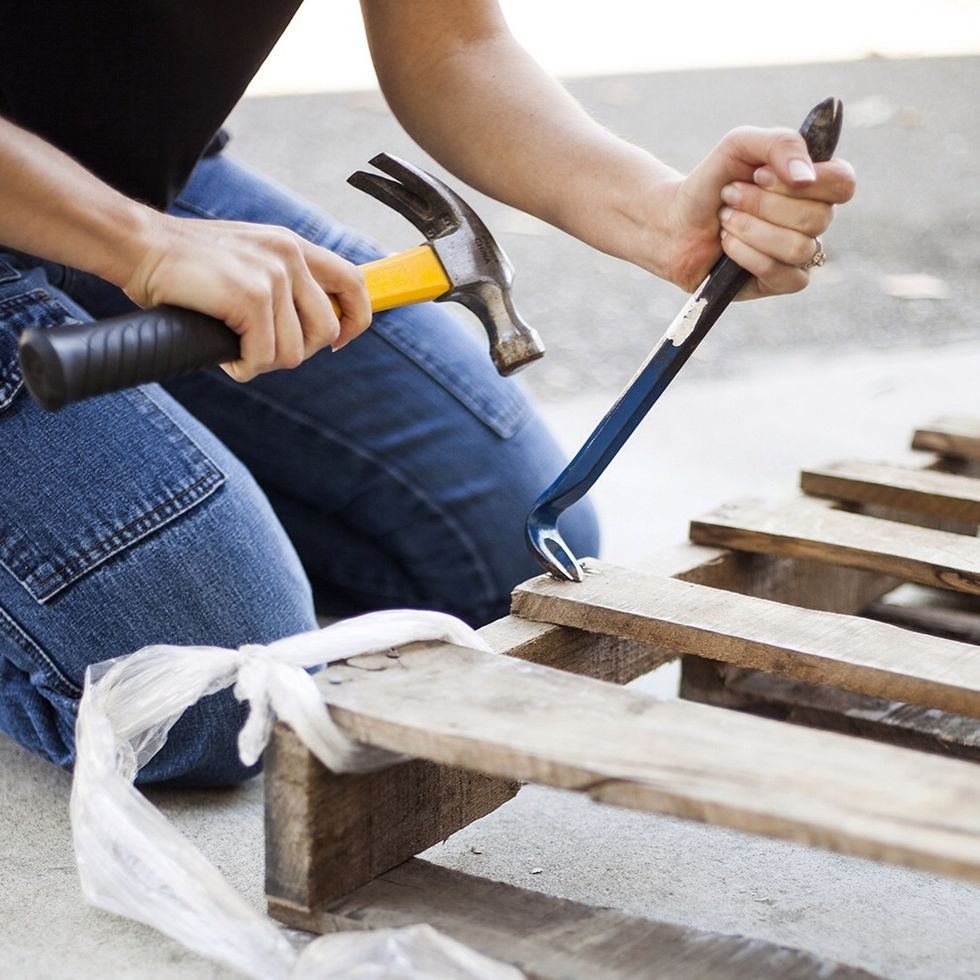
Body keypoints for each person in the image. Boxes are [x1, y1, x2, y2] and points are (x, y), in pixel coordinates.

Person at [0, 1, 855, 786]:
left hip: (133, 183)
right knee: (211, 703)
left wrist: (660, 214)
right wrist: (138, 247)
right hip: (103, 212)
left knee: (501, 558)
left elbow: (453, 43)